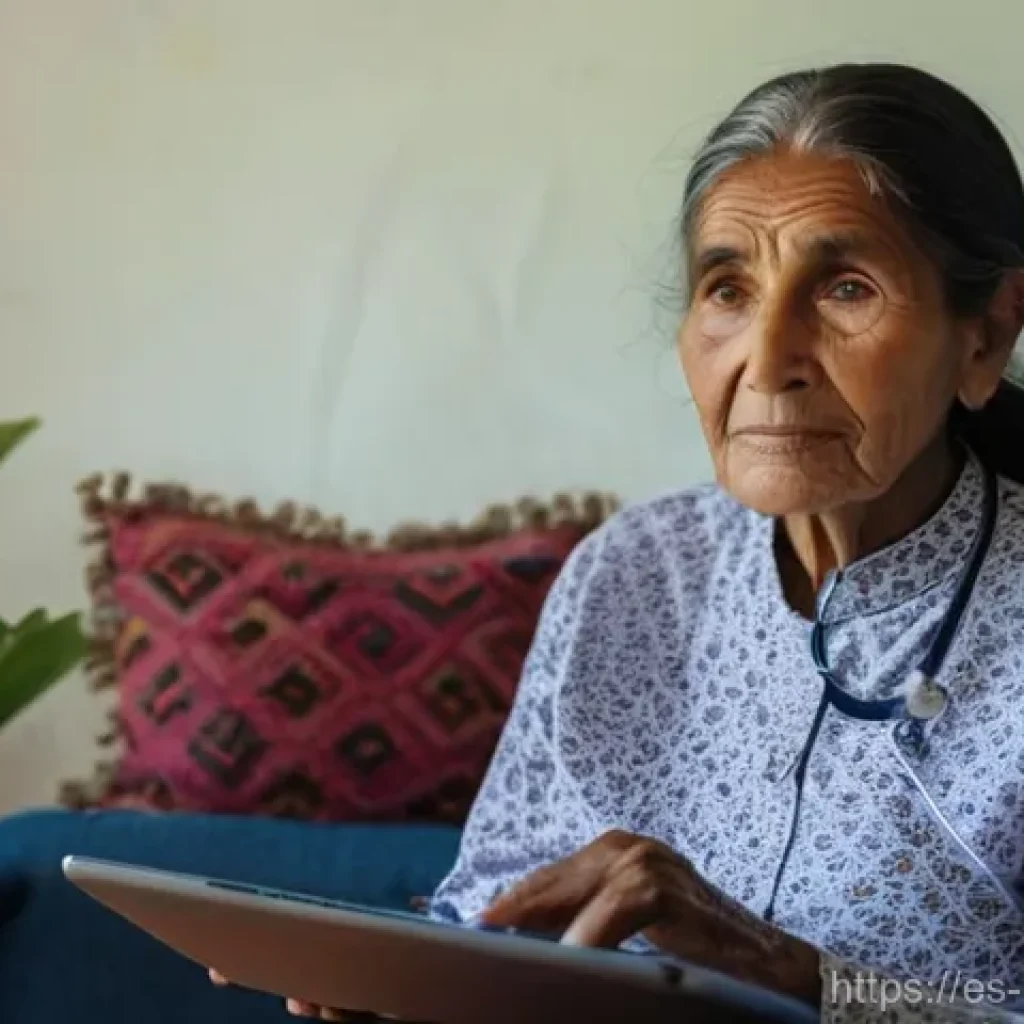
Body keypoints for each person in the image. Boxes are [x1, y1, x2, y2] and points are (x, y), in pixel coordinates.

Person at [215, 62, 1024, 1022]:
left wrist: (784, 971)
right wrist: (413, 985)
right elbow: (496, 914)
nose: (767, 361)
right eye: (728, 289)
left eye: (844, 289)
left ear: (985, 337)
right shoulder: (635, 572)